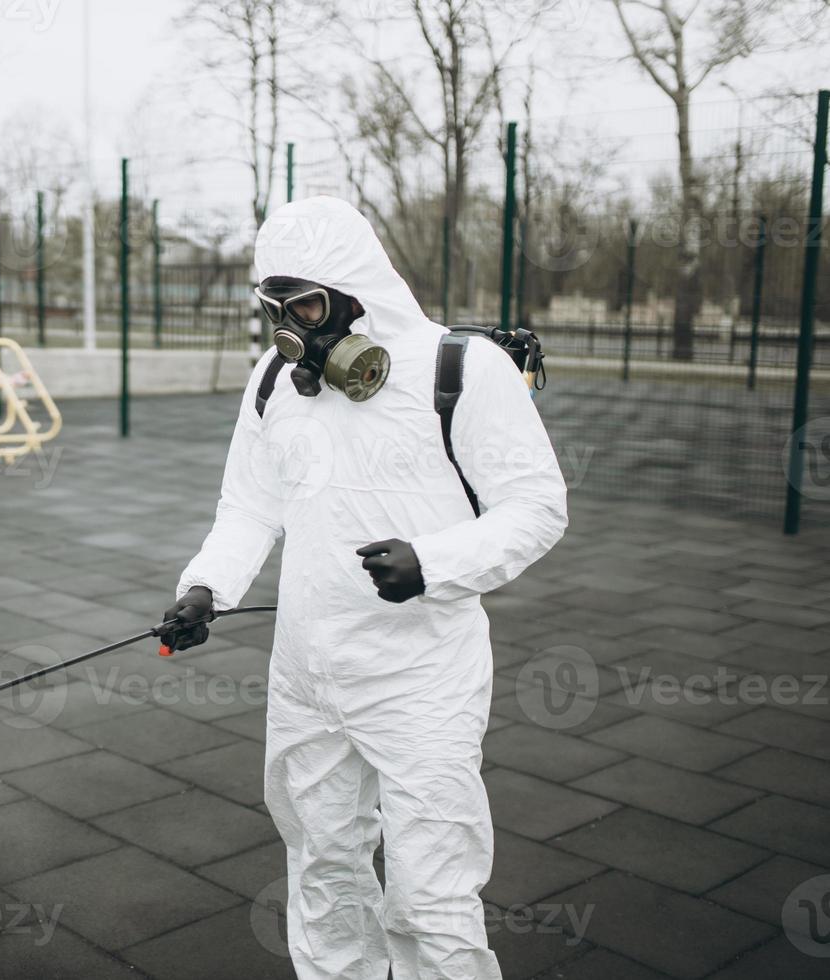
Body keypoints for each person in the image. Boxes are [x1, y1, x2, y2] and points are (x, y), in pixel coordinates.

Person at [163, 196, 567, 980]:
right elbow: (249, 507)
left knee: (431, 893)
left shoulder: (460, 370)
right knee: (322, 870)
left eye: (307, 306)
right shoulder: (274, 384)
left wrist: (435, 563)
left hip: (421, 676)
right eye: (275, 308)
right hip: (308, 674)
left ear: (356, 295)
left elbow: (538, 508)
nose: (292, 329)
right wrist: (208, 586)